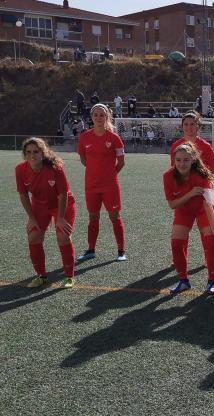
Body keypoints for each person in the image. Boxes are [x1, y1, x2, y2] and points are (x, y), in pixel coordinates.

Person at [16, 137, 77, 288]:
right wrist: (31, 218)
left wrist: (61, 218)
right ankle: (41, 276)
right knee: (34, 235)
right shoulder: (20, 170)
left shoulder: (56, 167)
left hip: (62, 204)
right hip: (39, 205)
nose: (32, 155)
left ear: (43, 153)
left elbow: (62, 195)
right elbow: (23, 195)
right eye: (28, 152)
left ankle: (70, 277)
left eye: (36, 152)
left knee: (63, 235)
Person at [163, 142, 214, 294]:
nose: (182, 164)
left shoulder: (202, 174)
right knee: (176, 244)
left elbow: (208, 203)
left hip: (203, 209)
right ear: (174, 160)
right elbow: (173, 205)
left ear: (193, 159)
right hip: (184, 210)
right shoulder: (168, 176)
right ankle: (183, 281)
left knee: (210, 242)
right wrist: (191, 193)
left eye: (186, 160)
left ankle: (211, 281)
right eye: (178, 160)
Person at [76, 103, 127, 262]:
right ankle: (91, 250)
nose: (98, 117)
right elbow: (84, 160)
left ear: (107, 117)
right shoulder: (84, 137)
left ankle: (121, 251)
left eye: (101, 115)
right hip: (91, 185)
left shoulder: (114, 138)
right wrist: (96, 173)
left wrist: (110, 175)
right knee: (92, 217)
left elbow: (121, 162)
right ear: (91, 117)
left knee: (115, 217)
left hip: (110, 185)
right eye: (95, 115)